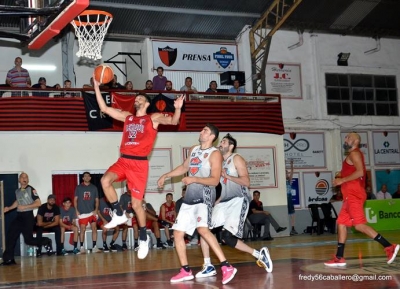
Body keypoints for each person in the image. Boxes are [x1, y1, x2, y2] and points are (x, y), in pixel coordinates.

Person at [93, 76, 184, 260]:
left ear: (147, 102)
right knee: (104, 181)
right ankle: (118, 213)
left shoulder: (153, 118)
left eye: (140, 98)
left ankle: (143, 237)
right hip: (124, 160)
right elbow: (104, 108)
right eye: (135, 98)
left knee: (136, 204)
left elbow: (174, 122)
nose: (136, 100)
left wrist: (178, 108)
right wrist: (96, 86)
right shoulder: (128, 117)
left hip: (139, 164)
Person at [157, 123, 237, 285]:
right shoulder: (194, 149)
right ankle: (185, 270)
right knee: (178, 233)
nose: (201, 132)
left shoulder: (215, 154)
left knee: (202, 229)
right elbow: (184, 167)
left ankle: (227, 266)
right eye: (201, 129)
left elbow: (215, 181)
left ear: (212, 137)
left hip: (205, 196)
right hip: (190, 199)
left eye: (205, 130)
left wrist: (194, 179)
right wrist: (166, 175)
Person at [196, 133, 273, 279]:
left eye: (224, 142)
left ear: (231, 146)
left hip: (239, 200)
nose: (221, 144)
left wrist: (228, 176)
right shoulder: (219, 162)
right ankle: (208, 265)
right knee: (203, 228)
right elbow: (224, 188)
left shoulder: (236, 158)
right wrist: (215, 201)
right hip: (224, 201)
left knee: (227, 237)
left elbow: (247, 182)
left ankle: (259, 255)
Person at [324, 132, 399, 267]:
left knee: (359, 225)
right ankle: (339, 257)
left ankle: (389, 246)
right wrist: (342, 179)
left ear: (355, 141)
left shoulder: (355, 153)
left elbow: (360, 172)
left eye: (348, 137)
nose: (345, 139)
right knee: (341, 223)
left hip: (354, 195)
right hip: (349, 196)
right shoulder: (352, 155)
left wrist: (342, 180)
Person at [1, 172, 51, 265]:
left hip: (28, 217)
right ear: (19, 180)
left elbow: (38, 203)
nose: (24, 178)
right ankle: (8, 259)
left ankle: (46, 241)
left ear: (28, 180)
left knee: (29, 240)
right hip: (19, 217)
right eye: (22, 177)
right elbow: (18, 201)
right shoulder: (17, 191)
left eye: (26, 177)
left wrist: (25, 207)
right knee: (11, 236)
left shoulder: (31, 189)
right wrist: (9, 208)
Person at [74, 172, 100, 254]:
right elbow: (75, 200)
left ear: (90, 178)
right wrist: (76, 210)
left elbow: (97, 200)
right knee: (82, 229)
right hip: (82, 213)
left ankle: (94, 247)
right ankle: (81, 247)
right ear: (83, 178)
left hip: (92, 212)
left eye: (88, 176)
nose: (87, 177)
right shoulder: (79, 187)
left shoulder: (94, 188)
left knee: (94, 228)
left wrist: (96, 209)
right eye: (85, 176)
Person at [119, 184, 138, 250]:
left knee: (136, 227)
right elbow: (120, 206)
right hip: (125, 215)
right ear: (126, 188)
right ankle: (124, 244)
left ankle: (136, 243)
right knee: (125, 228)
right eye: (128, 187)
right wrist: (125, 213)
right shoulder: (123, 196)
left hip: (133, 215)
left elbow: (138, 206)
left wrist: (135, 213)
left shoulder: (135, 196)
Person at [286, 159, 298, 235]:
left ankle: (293, 228)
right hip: (285, 198)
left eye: (287, 173)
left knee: (292, 214)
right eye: (286, 173)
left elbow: (292, 172)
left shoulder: (288, 180)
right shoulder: (281, 181)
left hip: (289, 197)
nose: (287, 174)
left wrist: (291, 165)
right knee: (286, 213)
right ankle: (287, 229)